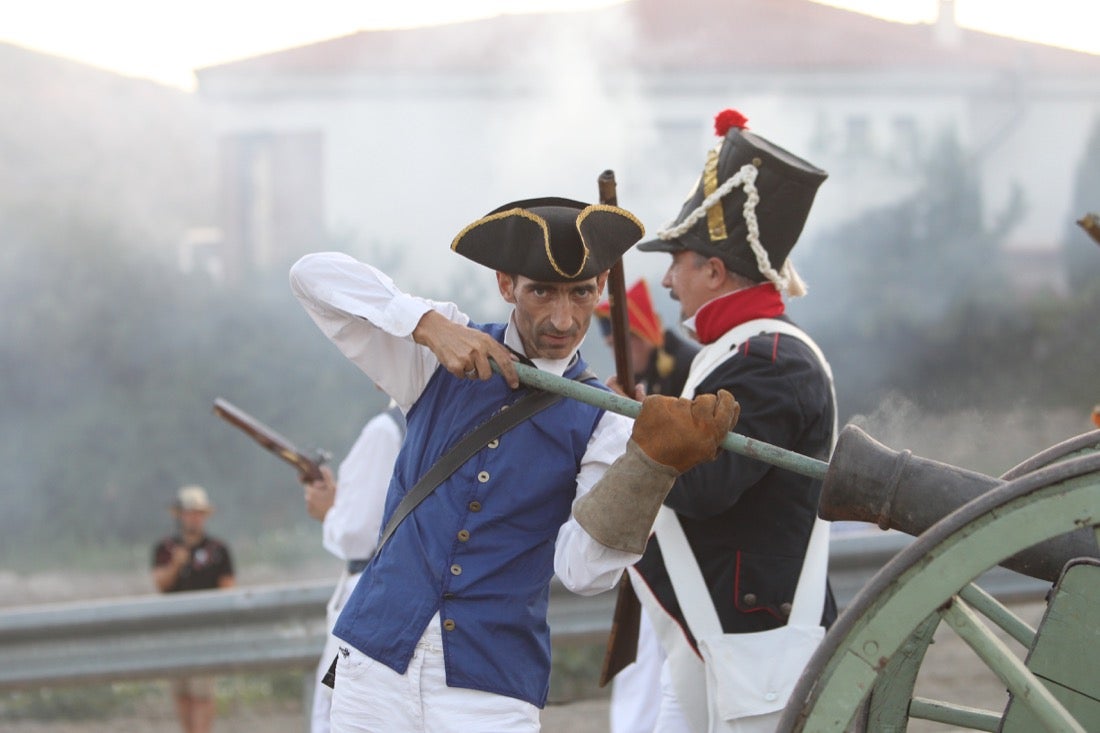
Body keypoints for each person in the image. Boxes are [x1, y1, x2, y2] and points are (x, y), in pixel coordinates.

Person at [289, 195, 739, 733]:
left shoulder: (607, 421)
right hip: (375, 662)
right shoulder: (438, 349)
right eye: (541, 291)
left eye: (581, 293)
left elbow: (583, 572)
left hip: (491, 686)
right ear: (507, 285)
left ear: (599, 292)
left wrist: (649, 469)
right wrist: (427, 323)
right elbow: (311, 275)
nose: (562, 317)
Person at [631, 108, 839, 732]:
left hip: (755, 646)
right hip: (720, 636)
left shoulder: (765, 360)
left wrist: (633, 432)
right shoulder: (743, 353)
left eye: (679, 261)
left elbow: (703, 489)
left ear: (714, 270)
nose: (667, 279)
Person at [594, 277, 699, 733]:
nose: (617, 344)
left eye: (624, 336)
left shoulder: (688, 368)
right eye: (610, 337)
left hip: (687, 535)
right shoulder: (648, 375)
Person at [301, 400, 406, 733]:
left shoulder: (384, 430)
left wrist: (329, 513)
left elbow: (356, 535)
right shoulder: (431, 420)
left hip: (367, 598)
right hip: (400, 593)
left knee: (335, 707)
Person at [151, 485, 235, 733]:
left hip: (205, 630)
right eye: (189, 513)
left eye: (198, 513)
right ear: (179, 515)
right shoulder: (165, 548)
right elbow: (160, 584)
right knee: (182, 693)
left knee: (202, 693)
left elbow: (228, 589)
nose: (193, 518)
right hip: (174, 631)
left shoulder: (218, 550)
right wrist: (176, 565)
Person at [594, 277, 698, 398]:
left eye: (621, 343)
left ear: (643, 335)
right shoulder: (642, 373)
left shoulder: (686, 366)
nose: (616, 353)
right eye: (611, 345)